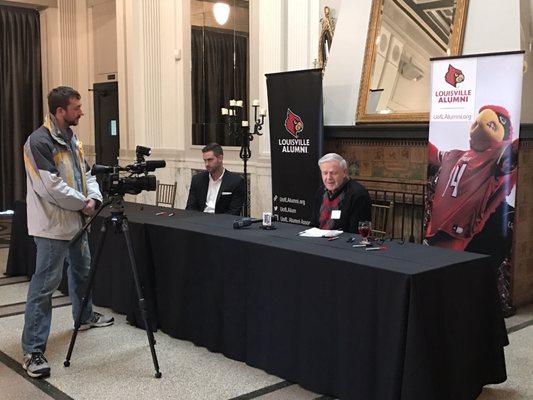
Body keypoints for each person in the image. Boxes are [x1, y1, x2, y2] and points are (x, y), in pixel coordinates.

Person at [21, 86, 114, 379]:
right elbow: (49, 186)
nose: (81, 112)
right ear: (60, 111)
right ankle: (33, 350)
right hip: (52, 226)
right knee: (44, 287)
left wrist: (95, 198)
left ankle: (84, 316)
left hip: (77, 222)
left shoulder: (73, 139)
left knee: (82, 272)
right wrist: (83, 203)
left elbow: (86, 174)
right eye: (76, 108)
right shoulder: (38, 142)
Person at [311, 153, 371, 233]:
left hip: (341, 243)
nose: (328, 178)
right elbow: (314, 224)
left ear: (344, 172)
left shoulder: (358, 194)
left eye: (333, 173)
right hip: (317, 241)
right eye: (325, 173)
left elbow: (356, 233)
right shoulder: (321, 191)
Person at [186, 143, 245, 215]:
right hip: (199, 221)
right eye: (205, 160)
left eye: (210, 160)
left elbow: (234, 212)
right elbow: (190, 207)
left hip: (221, 223)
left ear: (220, 158)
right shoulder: (197, 179)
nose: (206, 164)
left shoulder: (236, 181)